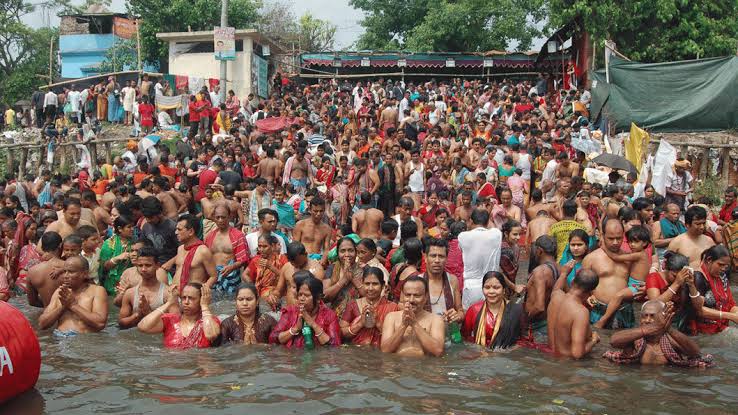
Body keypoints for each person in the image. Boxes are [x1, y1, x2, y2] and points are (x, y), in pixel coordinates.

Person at [604, 300, 713, 368]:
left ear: (663, 317)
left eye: (652, 316)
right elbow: (613, 341)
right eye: (644, 316)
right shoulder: (634, 338)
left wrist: (669, 329)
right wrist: (649, 329)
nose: (647, 320)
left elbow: (695, 353)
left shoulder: (670, 339)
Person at [582, 219, 637, 329]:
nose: (615, 242)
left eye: (619, 238)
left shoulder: (630, 258)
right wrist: (587, 297)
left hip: (624, 311)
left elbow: (637, 283)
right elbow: (582, 287)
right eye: (611, 238)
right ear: (602, 235)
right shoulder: (591, 258)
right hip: (598, 310)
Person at [594, 225, 651, 329]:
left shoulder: (640, 255)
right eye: (630, 242)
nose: (632, 245)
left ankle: (603, 320)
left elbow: (616, 257)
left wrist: (604, 248)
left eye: (636, 242)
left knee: (618, 296)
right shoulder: (637, 254)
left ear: (645, 243)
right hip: (634, 285)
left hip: (635, 286)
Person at [38, 256, 108, 336]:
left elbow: (100, 323)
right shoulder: (59, 292)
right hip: (60, 339)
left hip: (83, 343)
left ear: (84, 274)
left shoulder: (97, 291)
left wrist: (73, 305)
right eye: (64, 271)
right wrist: (63, 307)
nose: (65, 276)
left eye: (71, 272)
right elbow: (42, 323)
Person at [137, 283, 221, 349]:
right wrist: (169, 303)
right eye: (184, 298)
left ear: (201, 300)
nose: (186, 302)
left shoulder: (210, 320)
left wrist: (205, 305)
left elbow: (211, 335)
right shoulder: (171, 320)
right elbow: (143, 327)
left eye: (191, 298)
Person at [269, 271, 341, 348]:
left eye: (306, 295)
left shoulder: (330, 315)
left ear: (318, 298)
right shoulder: (290, 312)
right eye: (300, 295)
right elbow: (273, 338)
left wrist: (313, 324)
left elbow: (334, 345)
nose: (302, 299)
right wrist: (295, 329)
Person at [381, 275, 445, 357]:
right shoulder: (391, 317)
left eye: (417, 296)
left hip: (425, 367)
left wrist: (414, 324)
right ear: (402, 296)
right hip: (397, 367)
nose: (411, 300)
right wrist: (403, 326)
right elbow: (385, 350)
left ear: (426, 297)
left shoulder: (435, 320)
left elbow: (438, 351)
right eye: (407, 295)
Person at [462, 271, 525, 349]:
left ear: (504, 290)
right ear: (482, 289)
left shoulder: (517, 310)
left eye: (496, 287)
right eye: (487, 287)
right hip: (481, 355)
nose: (491, 291)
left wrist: (511, 350)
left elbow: (526, 340)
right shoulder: (474, 310)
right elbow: (465, 338)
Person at [547, 269, 600, 359]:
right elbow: (577, 354)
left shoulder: (556, 296)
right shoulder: (581, 312)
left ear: (572, 282)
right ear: (592, 291)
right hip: (567, 364)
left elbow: (557, 288)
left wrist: (564, 273)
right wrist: (594, 340)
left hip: (551, 357)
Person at [645, 251, 702, 334]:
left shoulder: (686, 279)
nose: (678, 278)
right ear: (667, 270)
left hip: (681, 321)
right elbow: (654, 305)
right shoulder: (654, 278)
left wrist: (691, 285)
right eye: (674, 276)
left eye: (681, 276)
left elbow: (698, 307)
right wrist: (677, 283)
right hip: (659, 322)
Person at [340, 266, 398, 346]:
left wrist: (377, 323)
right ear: (362, 283)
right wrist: (360, 324)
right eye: (367, 284)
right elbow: (341, 333)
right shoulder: (353, 305)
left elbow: (396, 337)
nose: (370, 288)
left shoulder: (393, 307)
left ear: (383, 285)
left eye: (375, 284)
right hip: (355, 353)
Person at [118, 247, 174, 329]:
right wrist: (137, 315)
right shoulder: (130, 293)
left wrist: (147, 312)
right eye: (140, 265)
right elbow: (121, 323)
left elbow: (173, 325)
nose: (143, 269)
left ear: (157, 266)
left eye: (148, 265)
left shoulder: (168, 293)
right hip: (135, 339)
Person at [458, 208, 502, 310]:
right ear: (487, 221)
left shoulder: (463, 236)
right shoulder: (496, 234)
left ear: (471, 221)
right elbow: (492, 226)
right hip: (492, 285)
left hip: (471, 286)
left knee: (471, 320)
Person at [204, 205, 250, 296]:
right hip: (213, 278)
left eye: (223, 217)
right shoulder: (209, 236)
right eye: (218, 217)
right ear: (214, 218)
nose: (220, 220)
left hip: (231, 278)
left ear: (229, 217)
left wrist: (231, 267)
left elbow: (244, 259)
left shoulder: (238, 235)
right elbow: (205, 258)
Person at [691, 245, 738, 334]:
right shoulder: (698, 277)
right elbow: (698, 310)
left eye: (726, 266)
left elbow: (730, 304)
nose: (723, 269)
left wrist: (736, 313)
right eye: (720, 265)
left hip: (721, 326)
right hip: (702, 331)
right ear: (709, 260)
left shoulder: (722, 276)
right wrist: (730, 316)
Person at [165, 214, 217, 292]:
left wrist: (202, 292)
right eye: (176, 229)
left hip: (192, 297)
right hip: (175, 295)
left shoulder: (203, 251)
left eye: (179, 229)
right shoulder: (180, 249)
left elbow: (214, 276)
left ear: (191, 231)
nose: (176, 232)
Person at [524, 235, 559, 340]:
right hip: (549, 323)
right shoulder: (561, 269)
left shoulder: (540, 271)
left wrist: (524, 321)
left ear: (539, 251)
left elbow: (539, 306)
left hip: (536, 327)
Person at [323, 237, 364, 316]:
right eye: (342, 251)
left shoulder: (364, 269)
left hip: (358, 314)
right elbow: (324, 296)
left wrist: (352, 278)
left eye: (350, 250)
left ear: (356, 252)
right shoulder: (332, 268)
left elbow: (369, 294)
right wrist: (343, 280)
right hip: (334, 315)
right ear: (338, 254)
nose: (347, 255)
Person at [275, 241, 325, 306]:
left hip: (308, 312)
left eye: (299, 263)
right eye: (293, 263)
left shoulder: (317, 270)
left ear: (306, 254)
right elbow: (279, 291)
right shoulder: (287, 267)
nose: (296, 267)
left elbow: (317, 296)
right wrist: (273, 296)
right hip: (289, 311)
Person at [26, 232, 65, 307]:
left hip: (46, 313)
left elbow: (32, 302)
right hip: (68, 315)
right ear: (60, 245)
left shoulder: (32, 271)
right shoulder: (70, 267)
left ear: (43, 248)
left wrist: (49, 306)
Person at [99, 216, 135, 295]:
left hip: (131, 282)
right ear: (120, 229)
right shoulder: (109, 244)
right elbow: (104, 266)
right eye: (129, 227)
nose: (132, 229)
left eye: (133, 226)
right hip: (111, 283)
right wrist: (116, 259)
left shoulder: (135, 243)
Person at [141, 196, 178, 265]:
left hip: (170, 266)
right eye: (146, 218)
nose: (148, 220)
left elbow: (182, 250)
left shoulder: (172, 227)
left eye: (151, 217)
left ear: (159, 213)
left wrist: (169, 264)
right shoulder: (146, 227)